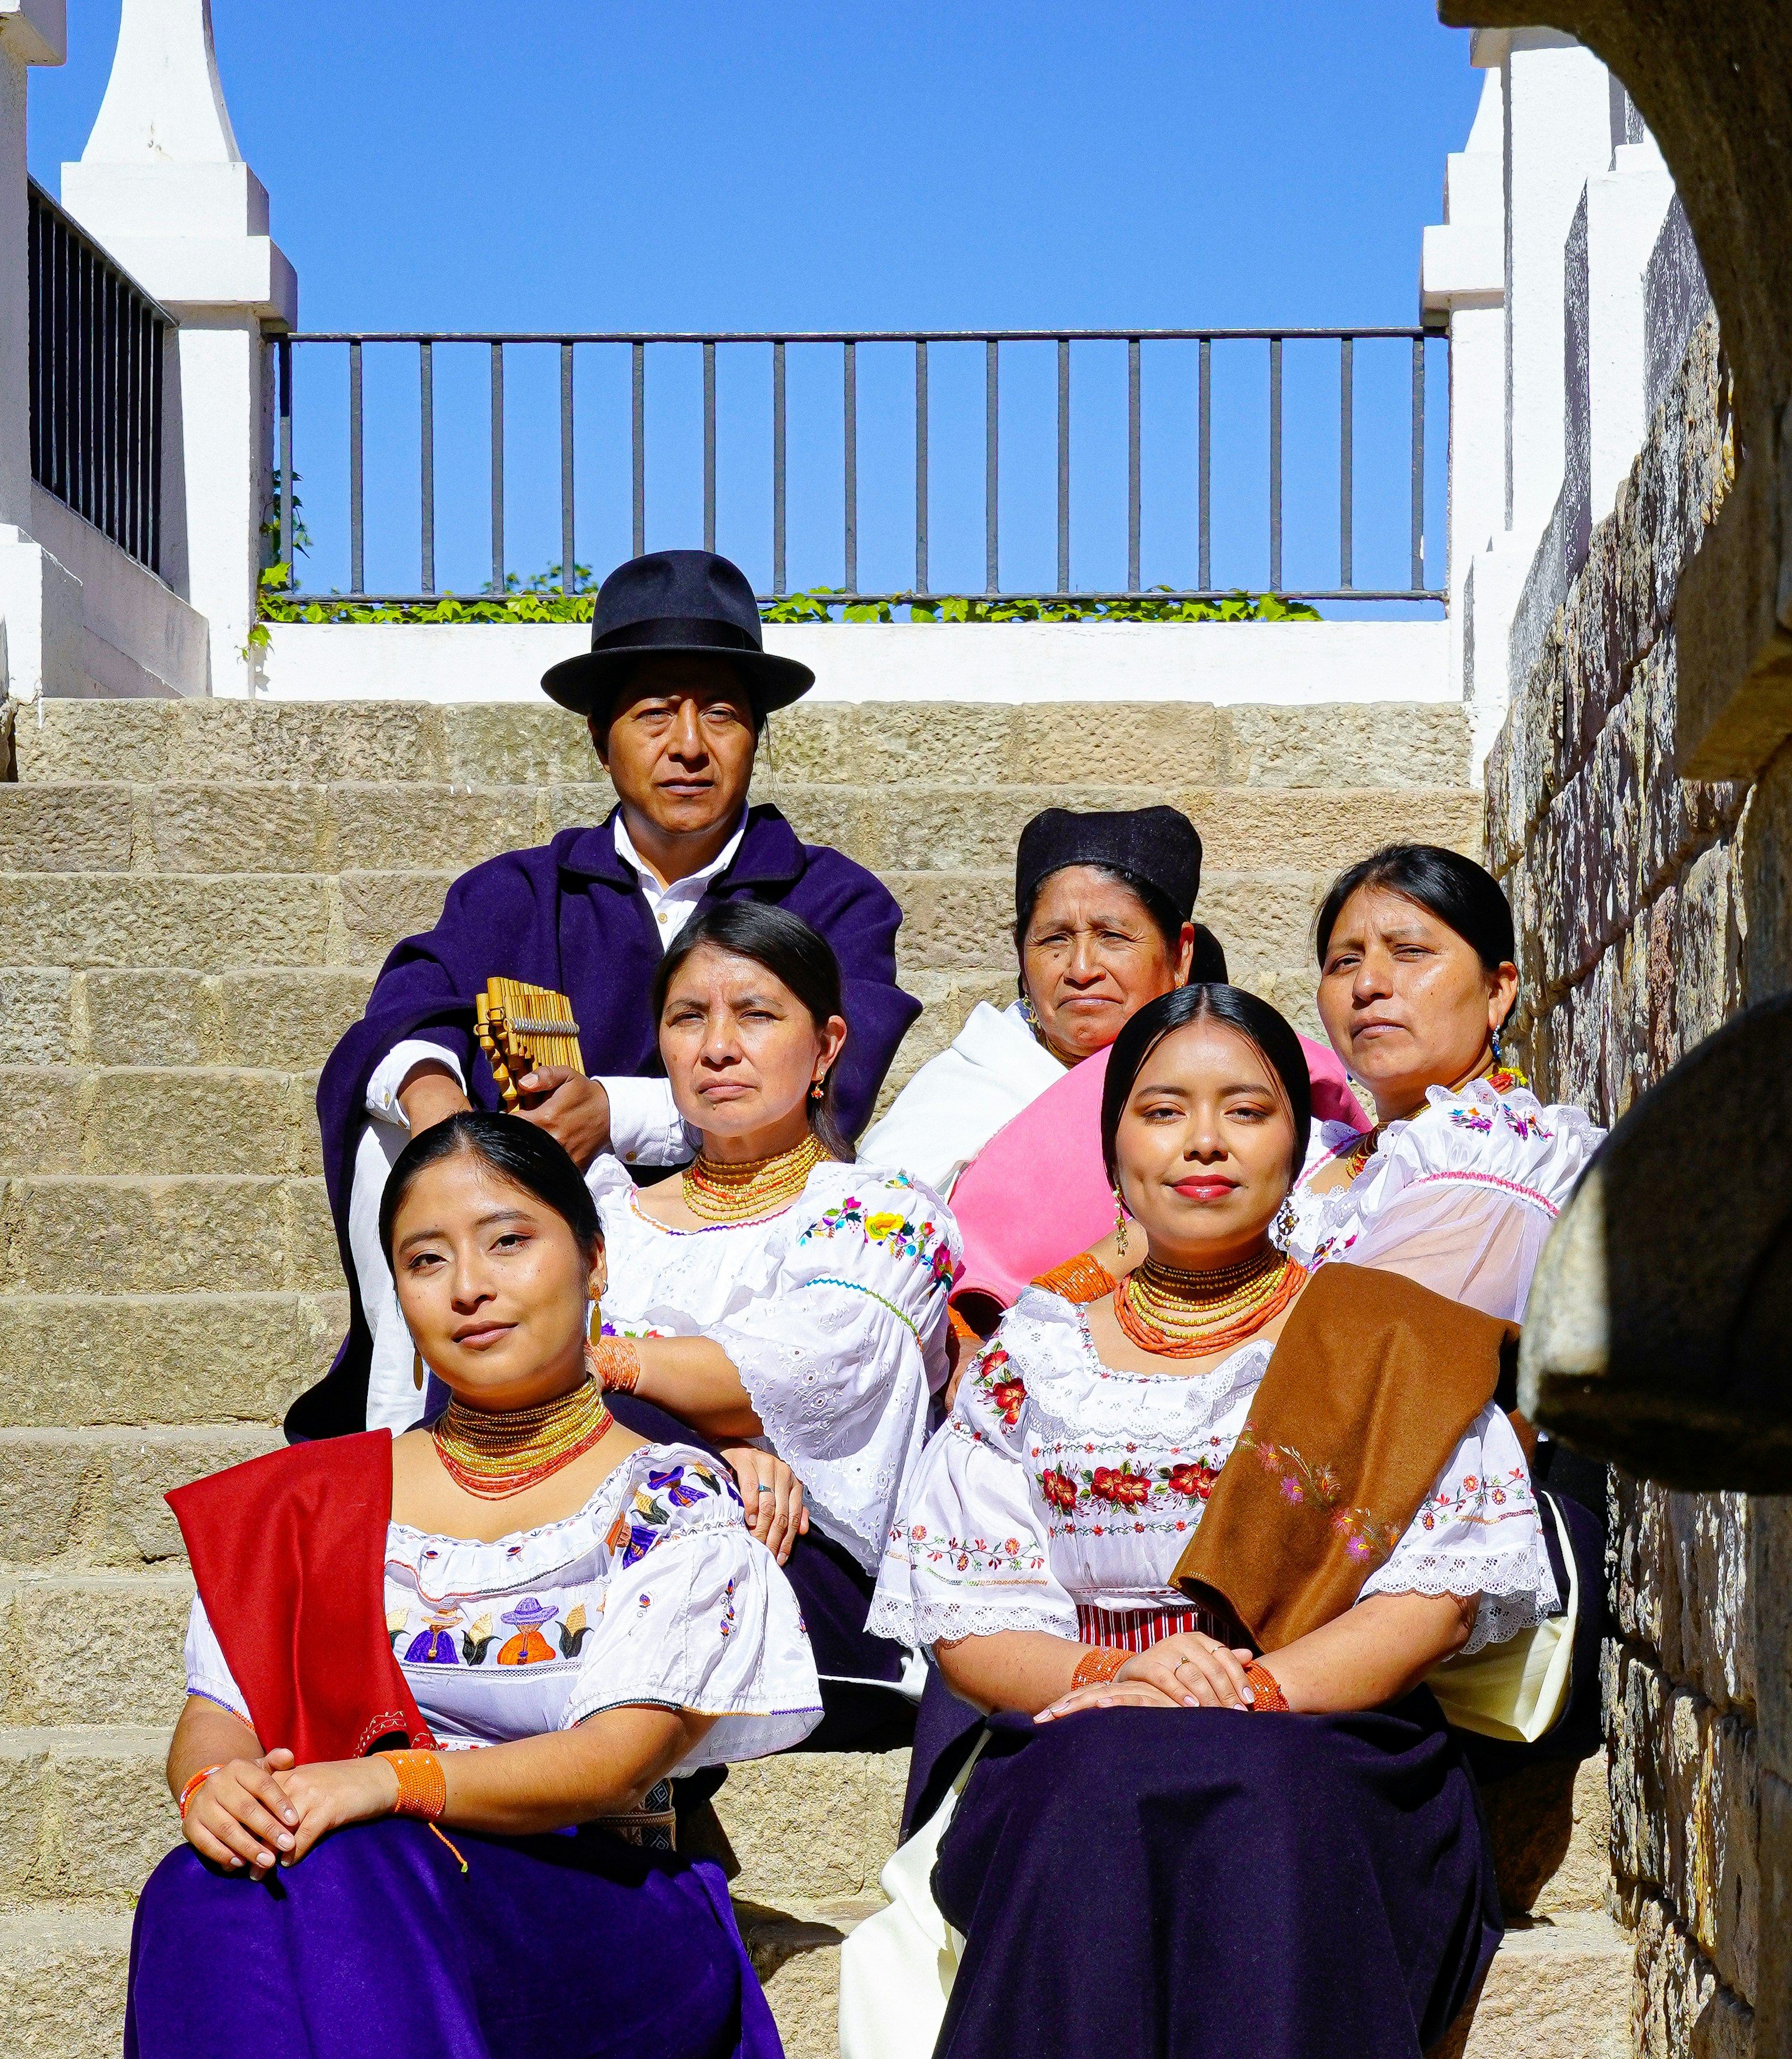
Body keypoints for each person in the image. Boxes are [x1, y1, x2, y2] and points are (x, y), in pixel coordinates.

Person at [751, 986, 1558, 2059]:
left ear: (1300, 1143)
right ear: (1113, 1148)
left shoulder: (1384, 1336)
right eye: (1163, 1111)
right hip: (1084, 1721)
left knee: (1267, 1800)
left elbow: (1432, 1592)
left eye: (1245, 1111)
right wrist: (1111, 1677)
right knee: (1087, 1783)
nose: (1203, 1143)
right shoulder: (1039, 1350)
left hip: (1328, 1730)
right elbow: (965, 1606)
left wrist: (1253, 1687)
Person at [81, 1112, 819, 2059]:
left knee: (358, 1847)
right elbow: (221, 1713)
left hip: (597, 1917)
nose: (469, 1285)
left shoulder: (668, 1497)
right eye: (425, 1259)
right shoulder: (309, 1498)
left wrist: (385, 1779)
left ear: (593, 1263)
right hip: (354, 1891)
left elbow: (614, 1761)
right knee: (196, 1882)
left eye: (506, 1240)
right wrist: (215, 1785)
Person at [300, 549, 920, 1438]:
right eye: (654, 714)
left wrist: (611, 1115)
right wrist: (441, 1112)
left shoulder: (835, 902)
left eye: (720, 714)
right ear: (599, 740)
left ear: (755, 737)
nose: (689, 747)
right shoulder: (513, 895)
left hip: (745, 1281)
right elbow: (404, 1013)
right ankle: (402, 1431)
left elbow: (838, 1082)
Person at [582, 901, 957, 1744]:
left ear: (825, 1047)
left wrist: (599, 1361)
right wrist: (719, 1453)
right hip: (615, 1532)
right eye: (687, 1018)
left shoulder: (880, 1214)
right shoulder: (604, 1217)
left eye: (754, 1014)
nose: (717, 1047)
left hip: (800, 1561)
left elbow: (797, 1371)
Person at [863, 805, 1367, 1331]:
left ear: (1181, 955)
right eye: (1053, 939)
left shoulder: (1267, 1074)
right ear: (1020, 954)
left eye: (1113, 937)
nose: (1081, 969)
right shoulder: (963, 1088)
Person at [1289, 842, 1603, 1318]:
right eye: (1344, 962)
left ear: (1496, 992)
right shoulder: (1313, 1154)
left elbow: (1367, 1336)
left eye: (1410, 952)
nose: (1367, 984)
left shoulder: (1505, 1158)